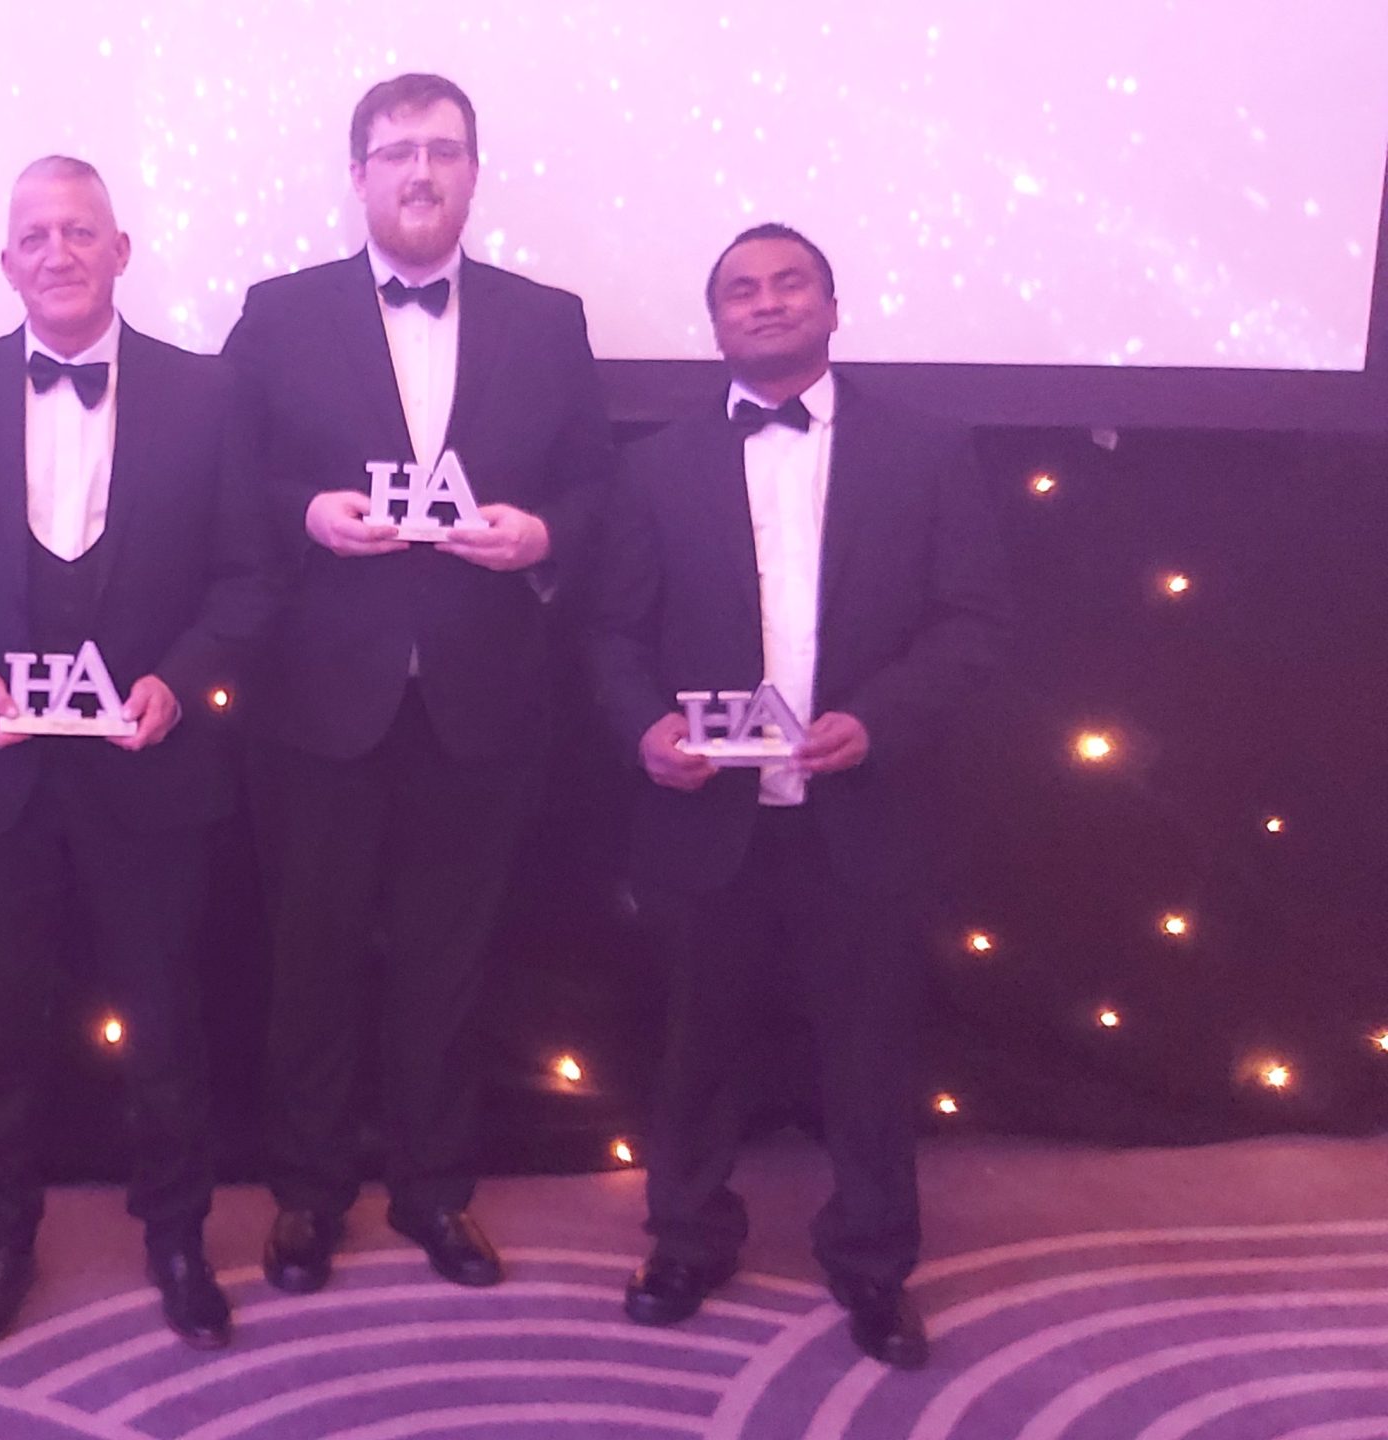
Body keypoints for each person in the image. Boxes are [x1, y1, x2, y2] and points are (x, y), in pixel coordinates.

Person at [586, 224, 1010, 1368]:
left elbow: (973, 622)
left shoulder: (928, 452)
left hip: (862, 807)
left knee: (868, 1052)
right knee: (691, 1045)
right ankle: (685, 1239)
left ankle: (872, 1265)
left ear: (831, 304)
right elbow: (613, 635)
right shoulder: (653, 465)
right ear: (715, 322)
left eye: (788, 285)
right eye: (739, 291)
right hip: (701, 815)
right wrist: (644, 728)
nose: (765, 304)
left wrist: (879, 722)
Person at [220, 73, 615, 1295]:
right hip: (316, 698)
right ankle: (306, 1195)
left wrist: (542, 537)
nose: (420, 172)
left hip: (480, 692)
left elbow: (599, 488)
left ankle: (435, 1193)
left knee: (451, 962)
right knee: (313, 954)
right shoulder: (277, 315)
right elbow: (224, 479)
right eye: (395, 152)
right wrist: (304, 513)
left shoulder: (548, 320)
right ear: (358, 175)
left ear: (473, 171)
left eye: (442, 150)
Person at [0, 156, 277, 1352]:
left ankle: (175, 1237)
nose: (54, 251)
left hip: (152, 769)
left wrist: (176, 685)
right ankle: (0, 1239)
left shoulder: (210, 398)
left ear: (121, 250)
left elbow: (249, 578)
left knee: (164, 1018)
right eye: (33, 235)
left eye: (78, 231)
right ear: (6, 263)